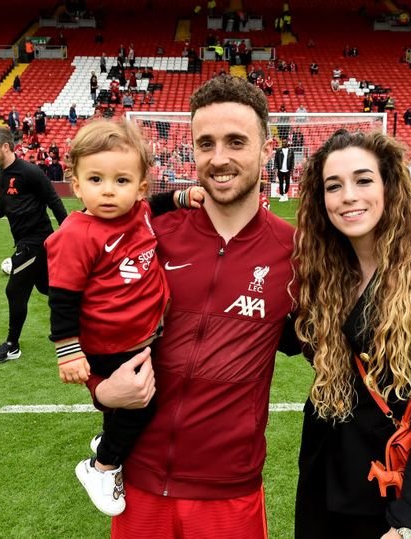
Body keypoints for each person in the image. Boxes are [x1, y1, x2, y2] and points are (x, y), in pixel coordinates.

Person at [106, 75, 297, 539]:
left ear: (267, 149)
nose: (219, 158)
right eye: (205, 143)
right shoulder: (152, 238)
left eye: (236, 142)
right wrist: (102, 391)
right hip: (140, 484)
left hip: (229, 493)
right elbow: (97, 326)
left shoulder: (296, 253)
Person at [293, 129, 411, 539]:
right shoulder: (318, 277)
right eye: (333, 186)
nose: (348, 196)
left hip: (390, 494)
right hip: (322, 484)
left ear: (389, 186)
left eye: (363, 180)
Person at [46, 119, 205, 517]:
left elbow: (160, 205)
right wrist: (68, 352)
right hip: (109, 344)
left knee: (144, 400)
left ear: (139, 187)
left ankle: (106, 439)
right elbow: (62, 298)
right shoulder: (77, 234)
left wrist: (185, 197)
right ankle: (102, 466)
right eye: (96, 179)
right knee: (143, 404)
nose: (108, 190)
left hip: (144, 336)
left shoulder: (141, 213)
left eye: (121, 181)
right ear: (77, 184)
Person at [0, 126, 68, 363]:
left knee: (14, 291)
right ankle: (72, 329)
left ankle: (12, 346)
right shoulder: (3, 175)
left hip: (35, 242)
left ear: (5, 146)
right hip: (29, 243)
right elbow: (5, 204)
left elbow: (53, 200)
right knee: (47, 289)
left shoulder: (29, 172)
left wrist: (67, 232)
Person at [275, 137, 295, 202]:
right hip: (280, 170)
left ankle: (285, 193)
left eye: (285, 142)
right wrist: (276, 168)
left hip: (287, 170)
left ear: (287, 143)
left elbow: (292, 161)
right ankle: (281, 195)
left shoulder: (291, 151)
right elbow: (276, 160)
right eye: (283, 142)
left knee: (288, 183)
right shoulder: (278, 151)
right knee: (280, 183)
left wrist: (291, 169)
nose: (284, 143)